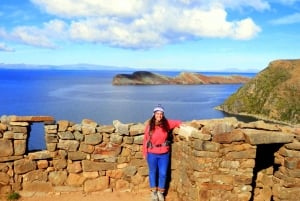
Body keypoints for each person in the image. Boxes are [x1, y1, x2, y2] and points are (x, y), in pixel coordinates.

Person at [143, 104, 181, 201]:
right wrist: (145, 153)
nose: (159, 115)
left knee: (163, 173)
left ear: (163, 114)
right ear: (154, 114)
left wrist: (183, 125)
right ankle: (153, 193)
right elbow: (145, 140)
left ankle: (161, 192)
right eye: (157, 113)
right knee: (152, 172)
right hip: (152, 153)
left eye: (161, 114)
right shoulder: (149, 126)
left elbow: (178, 122)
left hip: (164, 153)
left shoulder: (167, 123)